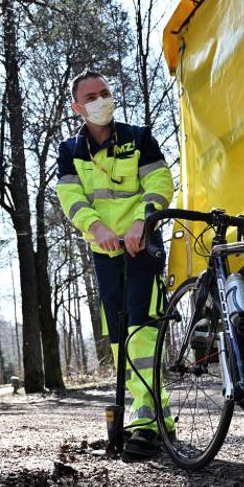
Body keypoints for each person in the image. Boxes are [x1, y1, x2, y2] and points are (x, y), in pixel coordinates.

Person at [55, 69, 175, 460]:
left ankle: (147, 424)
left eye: (105, 93)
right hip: (106, 253)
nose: (101, 100)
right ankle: (149, 415)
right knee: (122, 338)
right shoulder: (70, 149)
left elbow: (160, 183)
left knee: (144, 335)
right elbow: (72, 198)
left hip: (143, 250)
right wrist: (97, 228)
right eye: (91, 97)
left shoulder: (139, 139)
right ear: (78, 107)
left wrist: (144, 220)